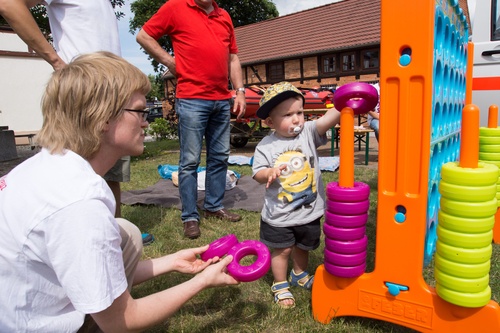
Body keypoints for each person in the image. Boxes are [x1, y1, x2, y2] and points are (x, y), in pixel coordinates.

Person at [0, 52, 239, 332]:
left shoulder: (45, 167)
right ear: (102, 118)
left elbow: (94, 270)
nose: (146, 122)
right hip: (32, 326)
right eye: (140, 111)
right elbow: (123, 321)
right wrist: (202, 281)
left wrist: (171, 262)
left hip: (17, 308)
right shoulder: (80, 203)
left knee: (125, 232)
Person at [0, 0, 154, 245]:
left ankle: (111, 234)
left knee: (109, 174)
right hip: (88, 98)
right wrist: (56, 61)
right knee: (73, 176)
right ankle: (73, 240)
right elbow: (9, 4)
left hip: (114, 92)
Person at [136, 0, 246, 239]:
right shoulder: (175, 7)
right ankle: (190, 216)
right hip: (192, 99)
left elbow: (233, 58)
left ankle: (214, 205)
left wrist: (239, 91)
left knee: (220, 156)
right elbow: (144, 36)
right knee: (189, 161)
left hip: (221, 99)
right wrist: (171, 62)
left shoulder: (224, 16)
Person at [251, 81, 341, 308]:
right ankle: (280, 284)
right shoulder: (266, 145)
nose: (296, 119)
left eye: (299, 112)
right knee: (282, 250)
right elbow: (257, 173)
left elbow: (327, 120)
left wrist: (344, 103)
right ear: (270, 122)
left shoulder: (309, 133)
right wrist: (268, 172)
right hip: (279, 214)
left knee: (303, 246)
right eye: (288, 114)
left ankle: (299, 275)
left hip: (308, 210)